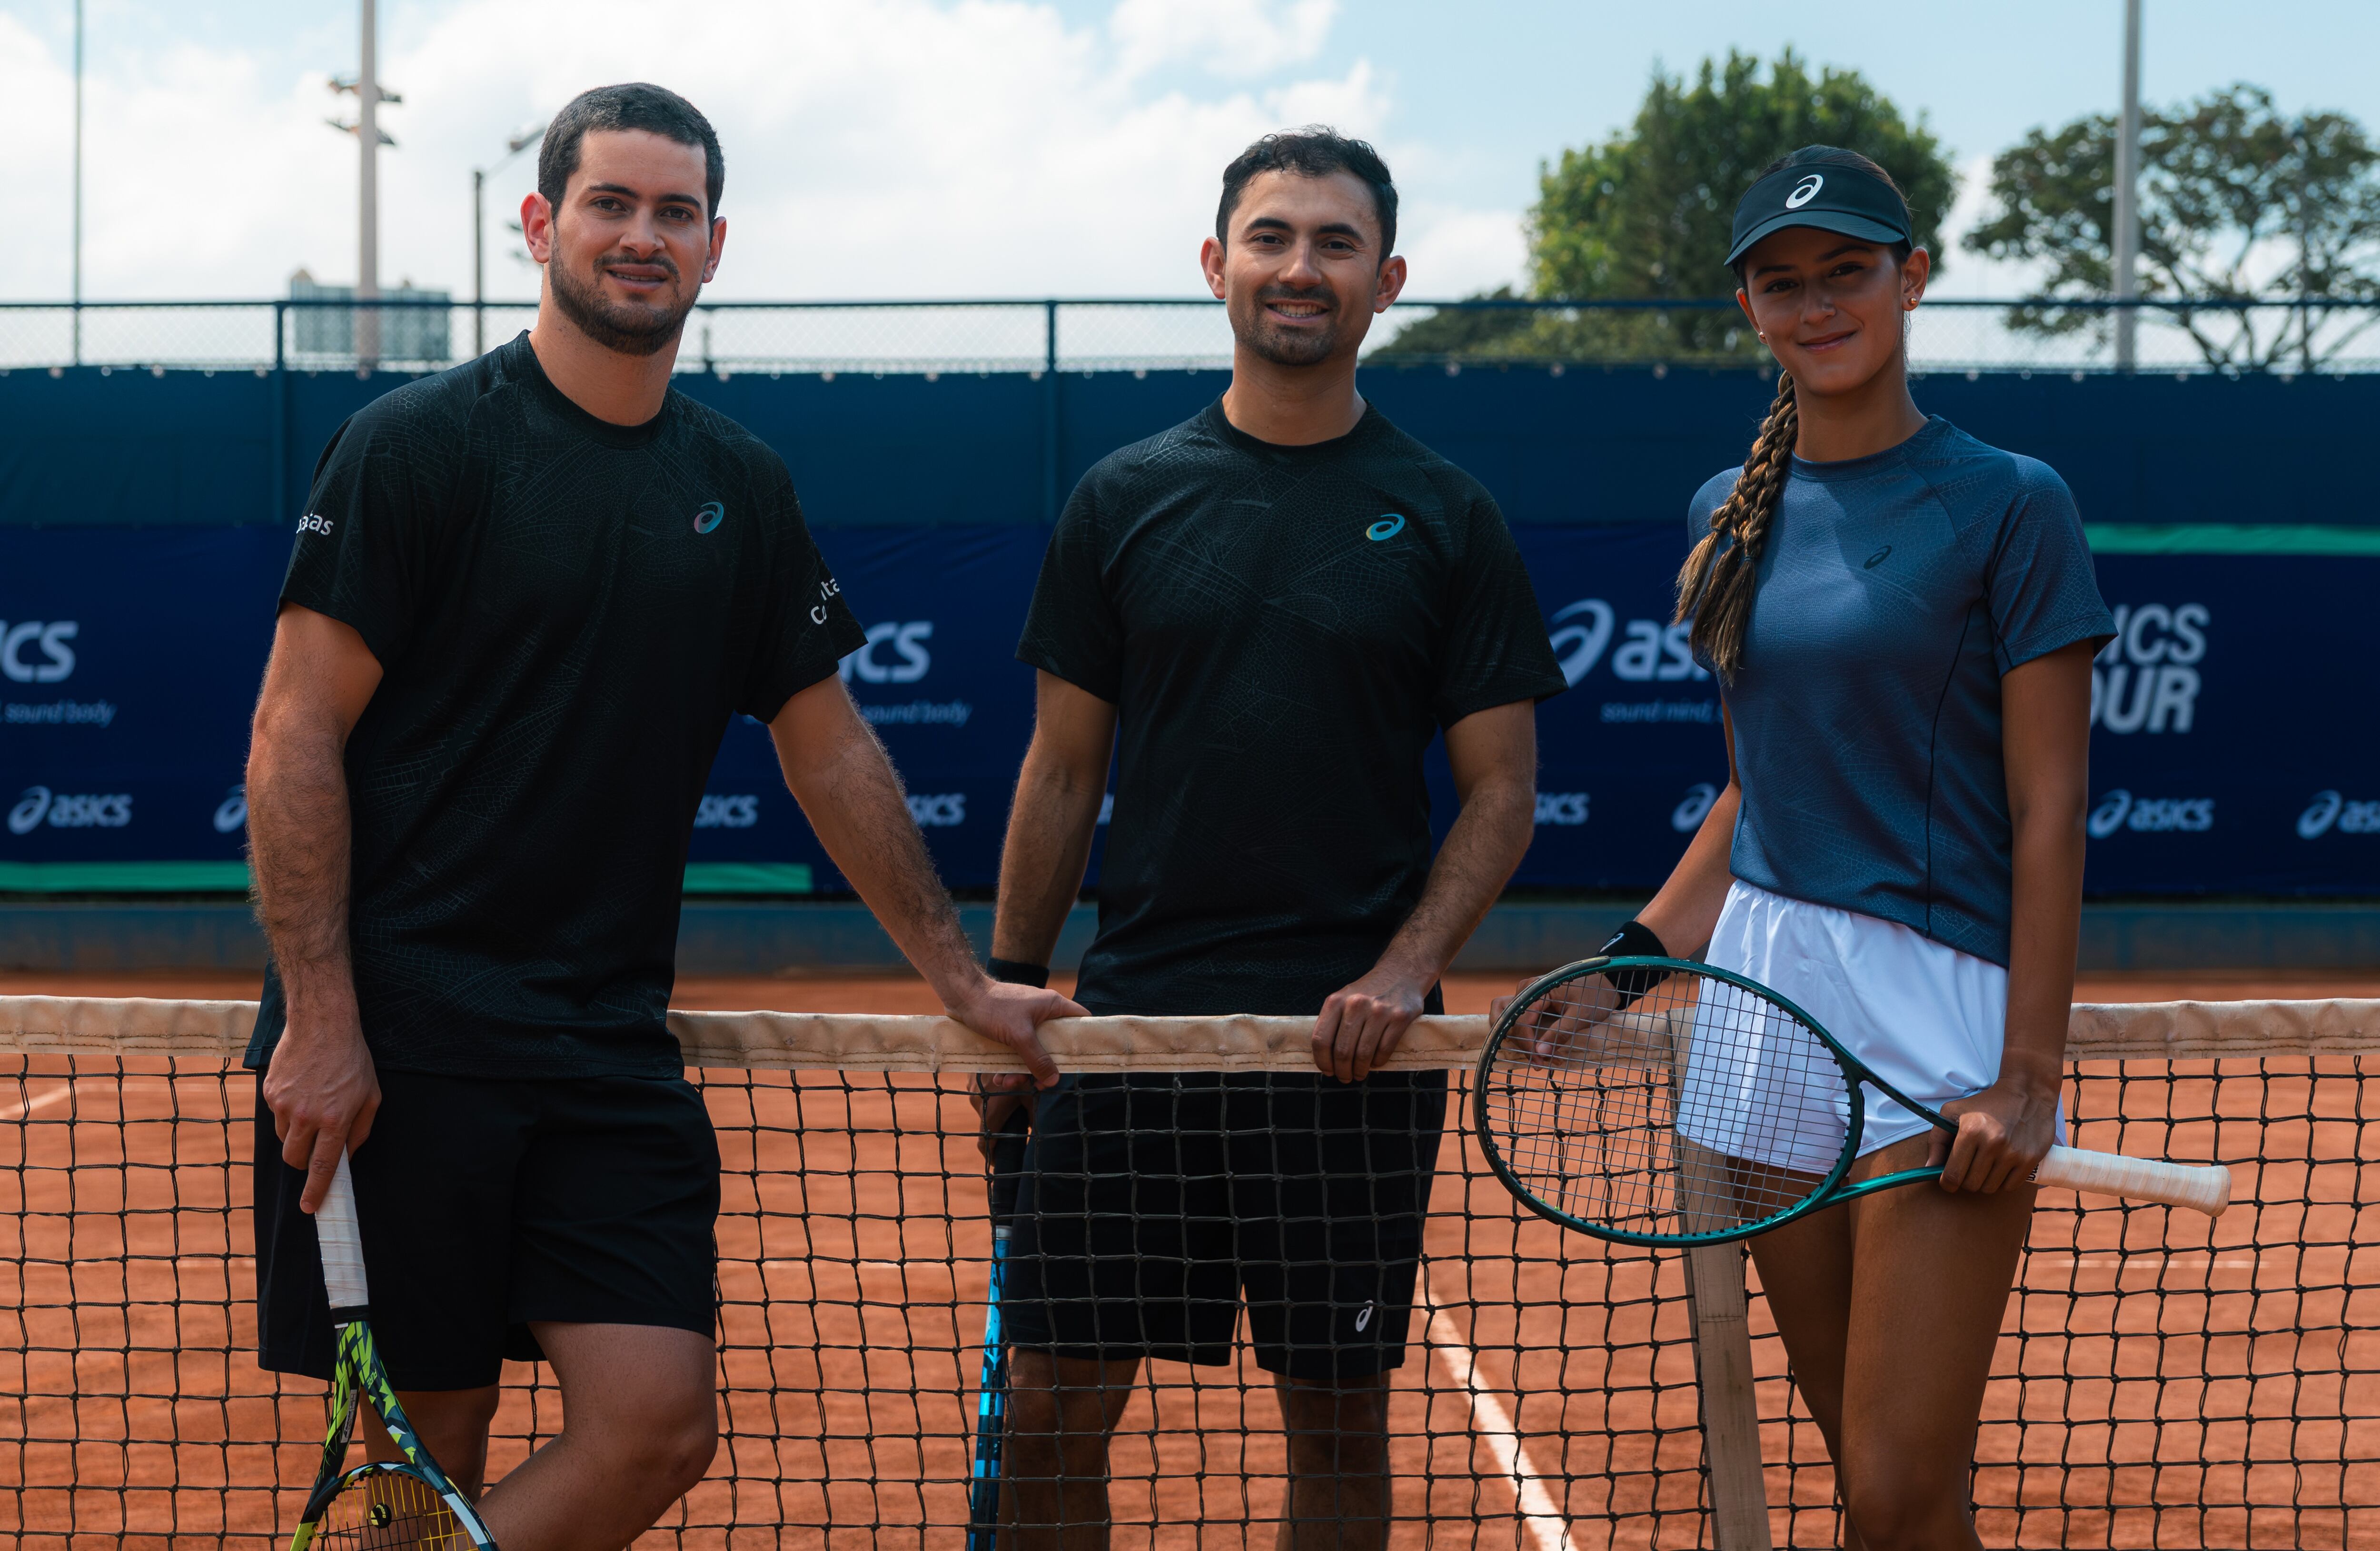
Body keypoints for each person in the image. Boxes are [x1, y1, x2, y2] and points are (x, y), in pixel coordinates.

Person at [244, 82, 1080, 1551]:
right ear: (539, 224)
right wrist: (319, 1013)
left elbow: (831, 751)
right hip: (399, 1050)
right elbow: (293, 729)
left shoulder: (739, 488)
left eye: (674, 212)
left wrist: (956, 973)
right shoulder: (414, 446)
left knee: (655, 1424)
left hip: (604, 1050)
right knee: (418, 1461)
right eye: (611, 204)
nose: (643, 236)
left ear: (714, 245)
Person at [980, 128, 1568, 1550]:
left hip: (1351, 1052)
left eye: (1334, 242)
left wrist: (1406, 970)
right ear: (1216, 264)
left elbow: (1502, 788)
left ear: (1387, 281)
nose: (1299, 266)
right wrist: (1003, 989)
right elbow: (1062, 770)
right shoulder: (1122, 496)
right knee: (1054, 1401)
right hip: (1133, 1033)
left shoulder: (1445, 514)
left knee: (1335, 1420)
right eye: (1271, 236)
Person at [1557, 146, 2112, 1551]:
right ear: (1751, 308)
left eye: (1848, 272)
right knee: (1869, 1481)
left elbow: (2052, 808)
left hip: (1941, 1011)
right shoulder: (1721, 517)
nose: (1818, 307)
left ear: (1911, 279)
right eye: (1783, 283)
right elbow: (1756, 796)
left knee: (1906, 1478)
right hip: (1765, 1008)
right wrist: (1625, 968)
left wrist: (2029, 1075)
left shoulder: (2012, 502)